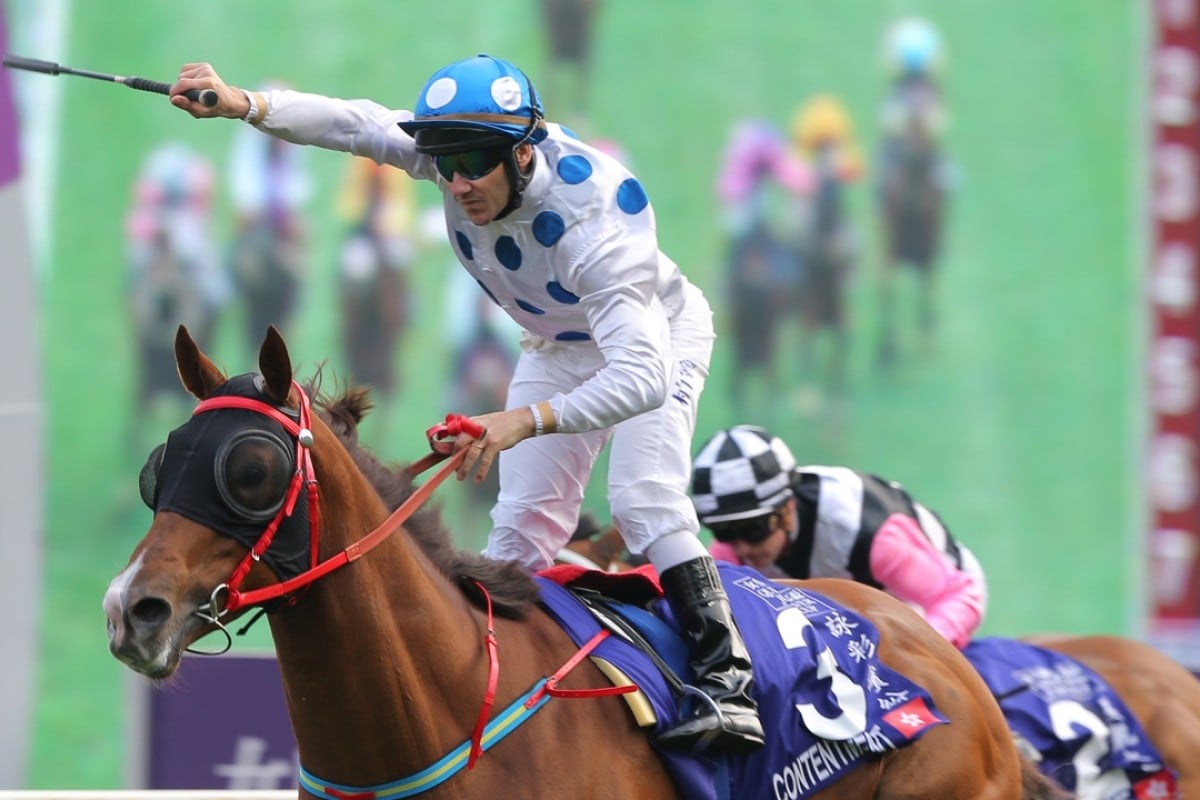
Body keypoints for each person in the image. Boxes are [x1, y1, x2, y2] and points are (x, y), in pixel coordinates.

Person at [169, 54, 763, 754]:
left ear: (522, 152)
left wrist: (520, 421)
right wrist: (244, 103)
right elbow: (357, 123)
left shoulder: (593, 221)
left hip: (653, 336)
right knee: (519, 533)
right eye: (442, 161)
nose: (455, 181)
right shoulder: (461, 159)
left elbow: (642, 379)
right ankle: (508, 703)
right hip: (558, 340)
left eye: (474, 163)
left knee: (643, 497)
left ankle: (731, 685)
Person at [691, 425, 987, 649]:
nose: (741, 548)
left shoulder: (869, 535)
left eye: (753, 531)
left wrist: (909, 655)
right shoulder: (729, 551)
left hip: (923, 601)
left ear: (787, 509)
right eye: (725, 533)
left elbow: (960, 595)